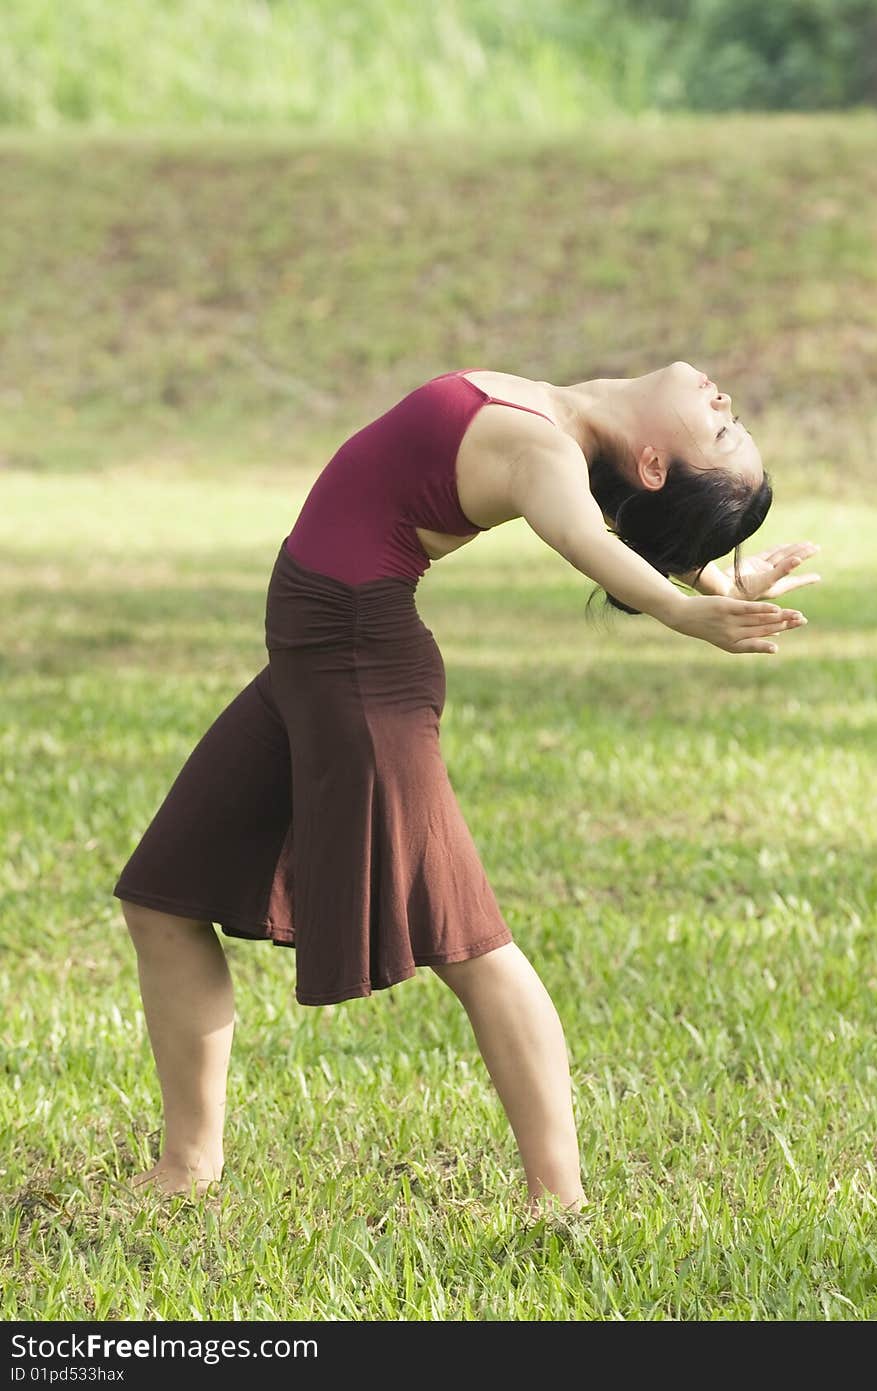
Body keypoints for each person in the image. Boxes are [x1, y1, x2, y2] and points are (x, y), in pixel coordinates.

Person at [113, 361, 820, 1213]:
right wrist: (712, 580)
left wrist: (681, 609)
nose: (725, 403)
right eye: (733, 421)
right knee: (164, 896)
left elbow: (583, 536)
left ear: (656, 463)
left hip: (357, 664)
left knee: (470, 944)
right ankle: (188, 1169)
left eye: (723, 431)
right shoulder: (566, 428)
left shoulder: (540, 451)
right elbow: (610, 518)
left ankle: (556, 1202)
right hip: (311, 664)